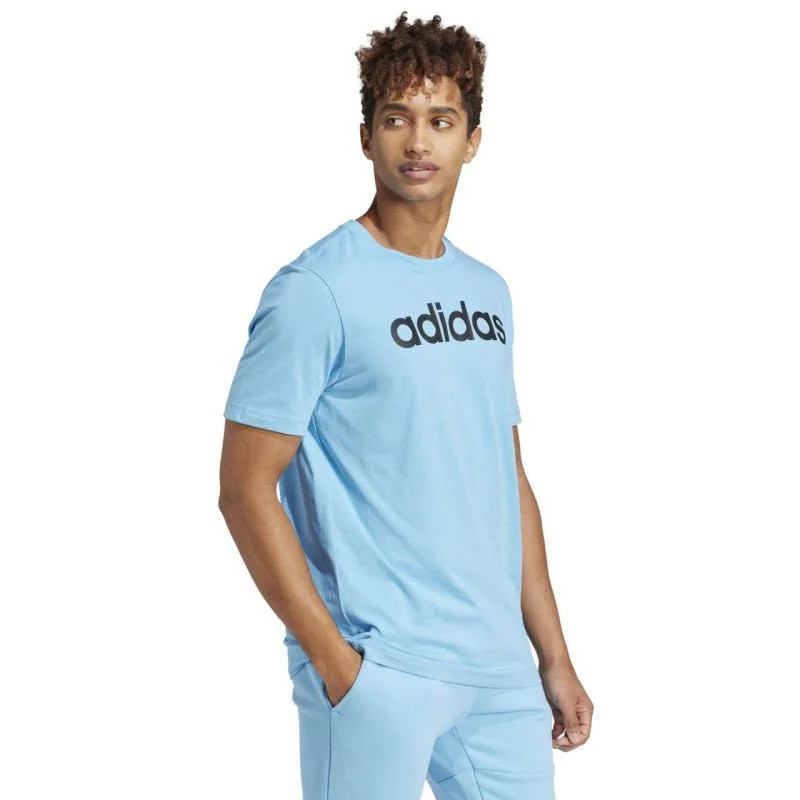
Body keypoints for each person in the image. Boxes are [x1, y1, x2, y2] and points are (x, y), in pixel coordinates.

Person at [218, 11, 592, 799]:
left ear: (473, 139)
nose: (418, 142)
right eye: (397, 119)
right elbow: (245, 489)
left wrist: (552, 655)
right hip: (379, 665)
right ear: (366, 137)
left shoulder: (488, 292)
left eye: (441, 120)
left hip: (499, 672)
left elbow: (506, 479)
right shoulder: (315, 291)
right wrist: (335, 662)